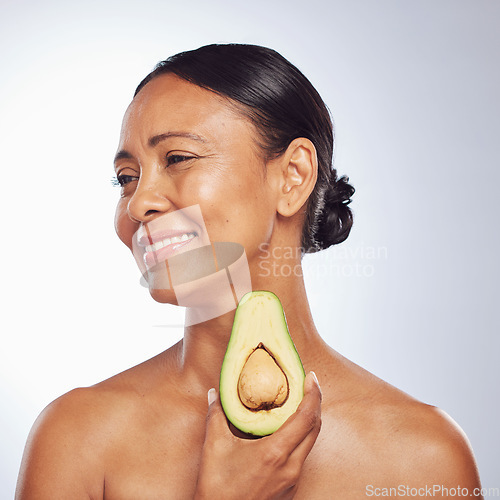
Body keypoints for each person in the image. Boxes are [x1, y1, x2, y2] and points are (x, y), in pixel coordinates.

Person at [16, 43, 482, 499]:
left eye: (177, 159)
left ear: (293, 176)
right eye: (126, 178)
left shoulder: (424, 457)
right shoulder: (77, 439)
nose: (138, 204)